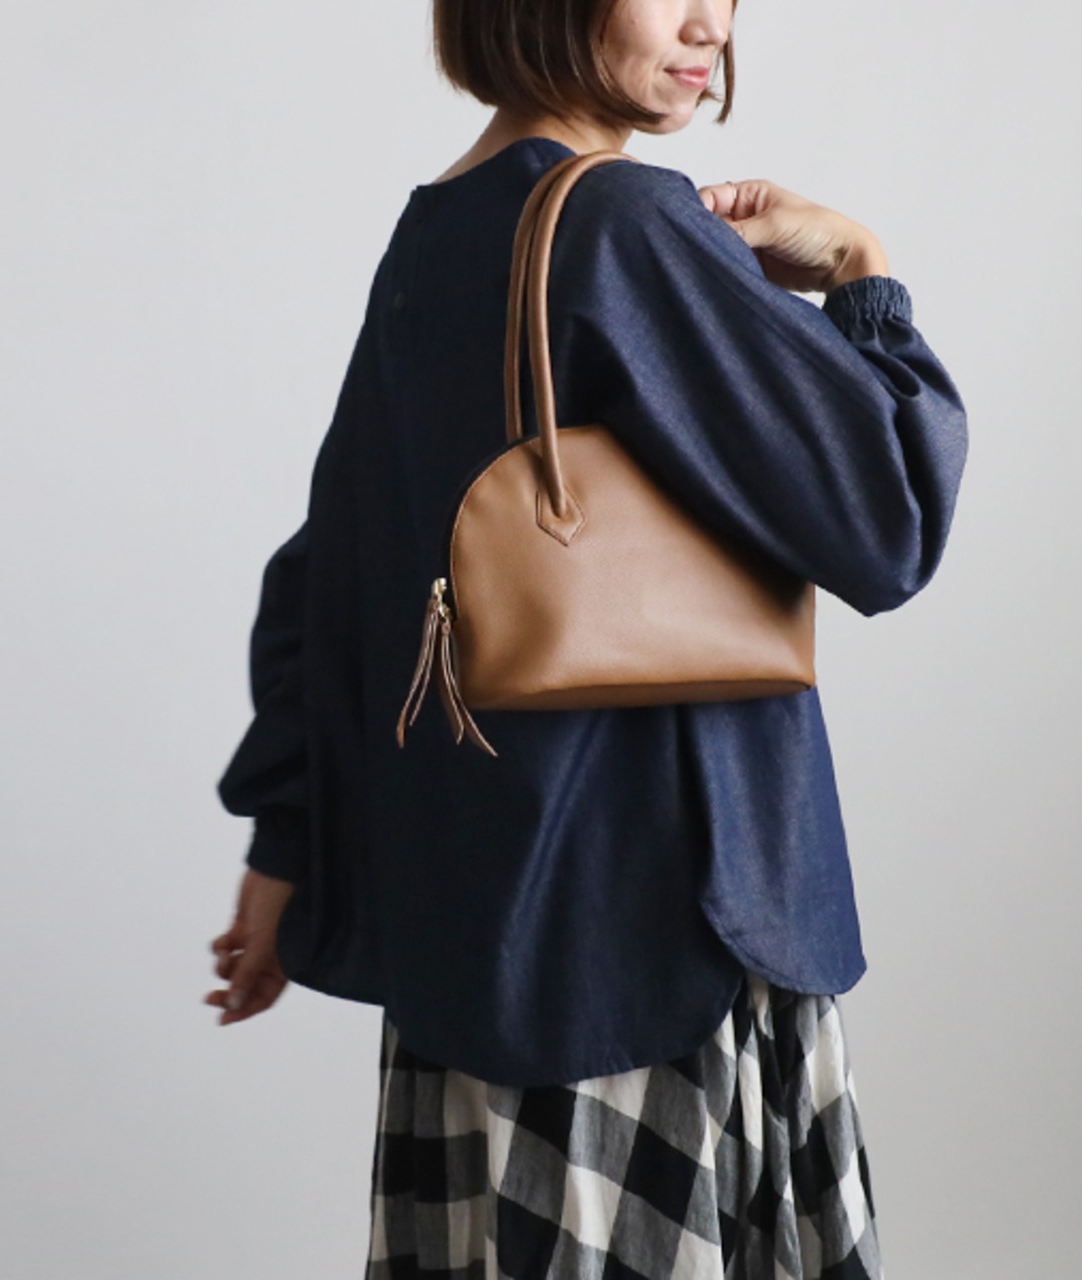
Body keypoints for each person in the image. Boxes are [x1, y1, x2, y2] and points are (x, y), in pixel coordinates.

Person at [204, 0, 968, 1275]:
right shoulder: (623, 221)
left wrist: (284, 841)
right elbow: (886, 517)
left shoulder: (440, 226)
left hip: (486, 929)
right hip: (659, 929)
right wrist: (860, 270)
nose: (708, 22)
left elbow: (332, 567)